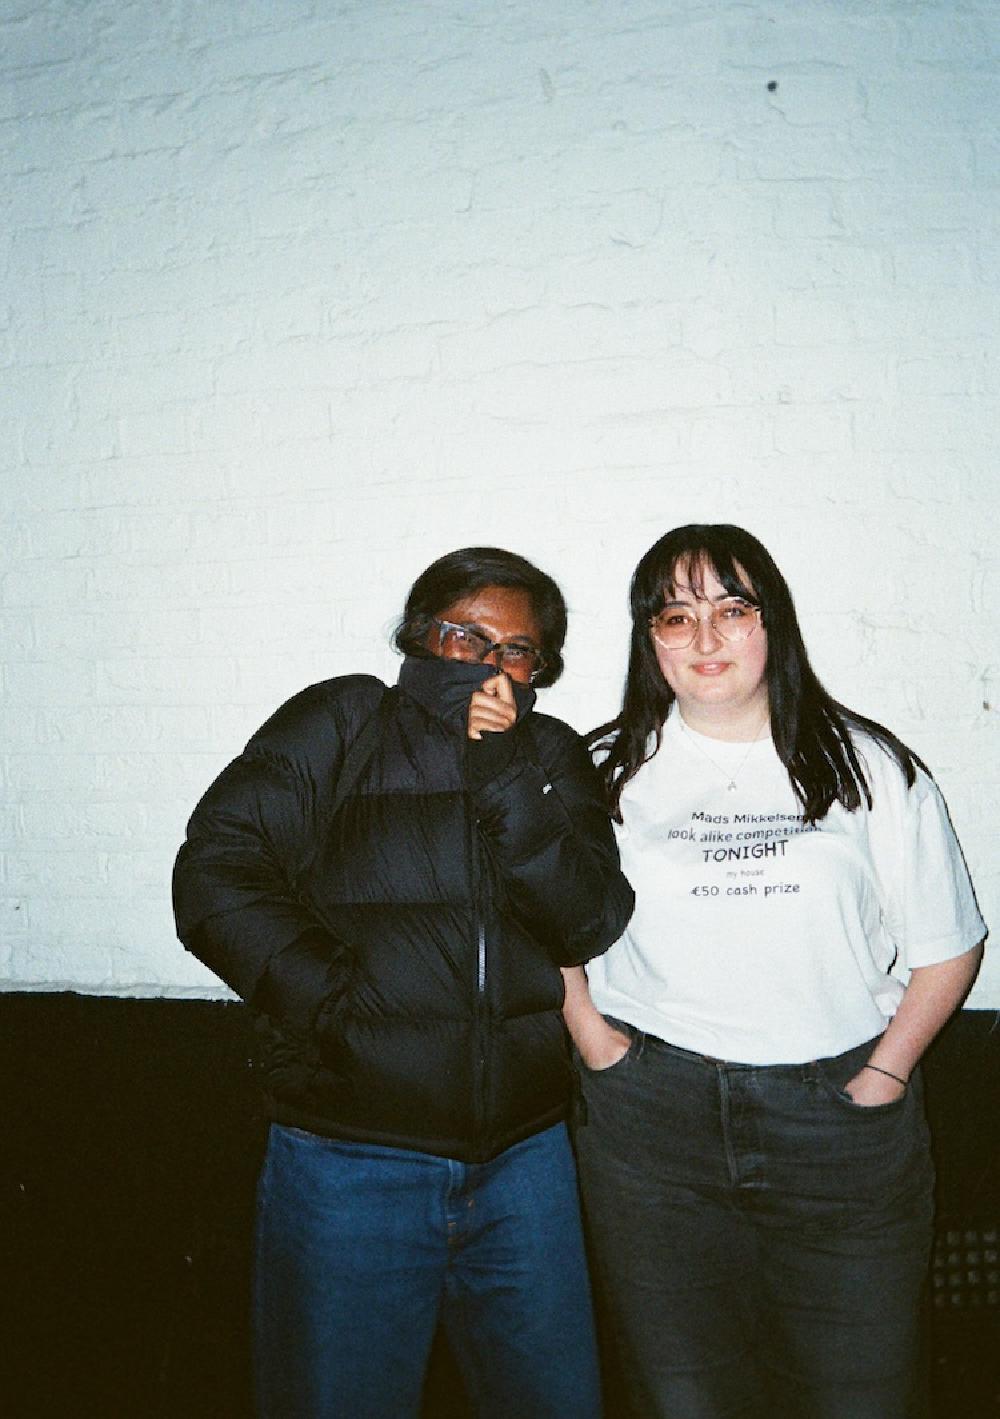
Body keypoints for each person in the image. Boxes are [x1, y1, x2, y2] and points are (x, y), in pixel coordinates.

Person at [172, 546, 634, 1419]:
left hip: (525, 1167)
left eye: (519, 648)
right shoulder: (343, 720)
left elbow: (586, 920)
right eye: (467, 635)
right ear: (421, 636)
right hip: (350, 1164)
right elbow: (215, 871)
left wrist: (503, 774)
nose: (492, 661)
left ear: (543, 667)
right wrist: (334, 1002)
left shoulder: (552, 754)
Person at [562, 523, 985, 1419]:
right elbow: (548, 924)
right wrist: (595, 1042)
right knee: (688, 1399)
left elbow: (949, 946)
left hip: (839, 1126)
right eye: (676, 617)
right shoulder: (601, 772)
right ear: (650, 641)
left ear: (773, 623)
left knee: (859, 1397)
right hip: (652, 1130)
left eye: (732, 608)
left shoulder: (867, 765)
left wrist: (884, 1074)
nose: (706, 639)